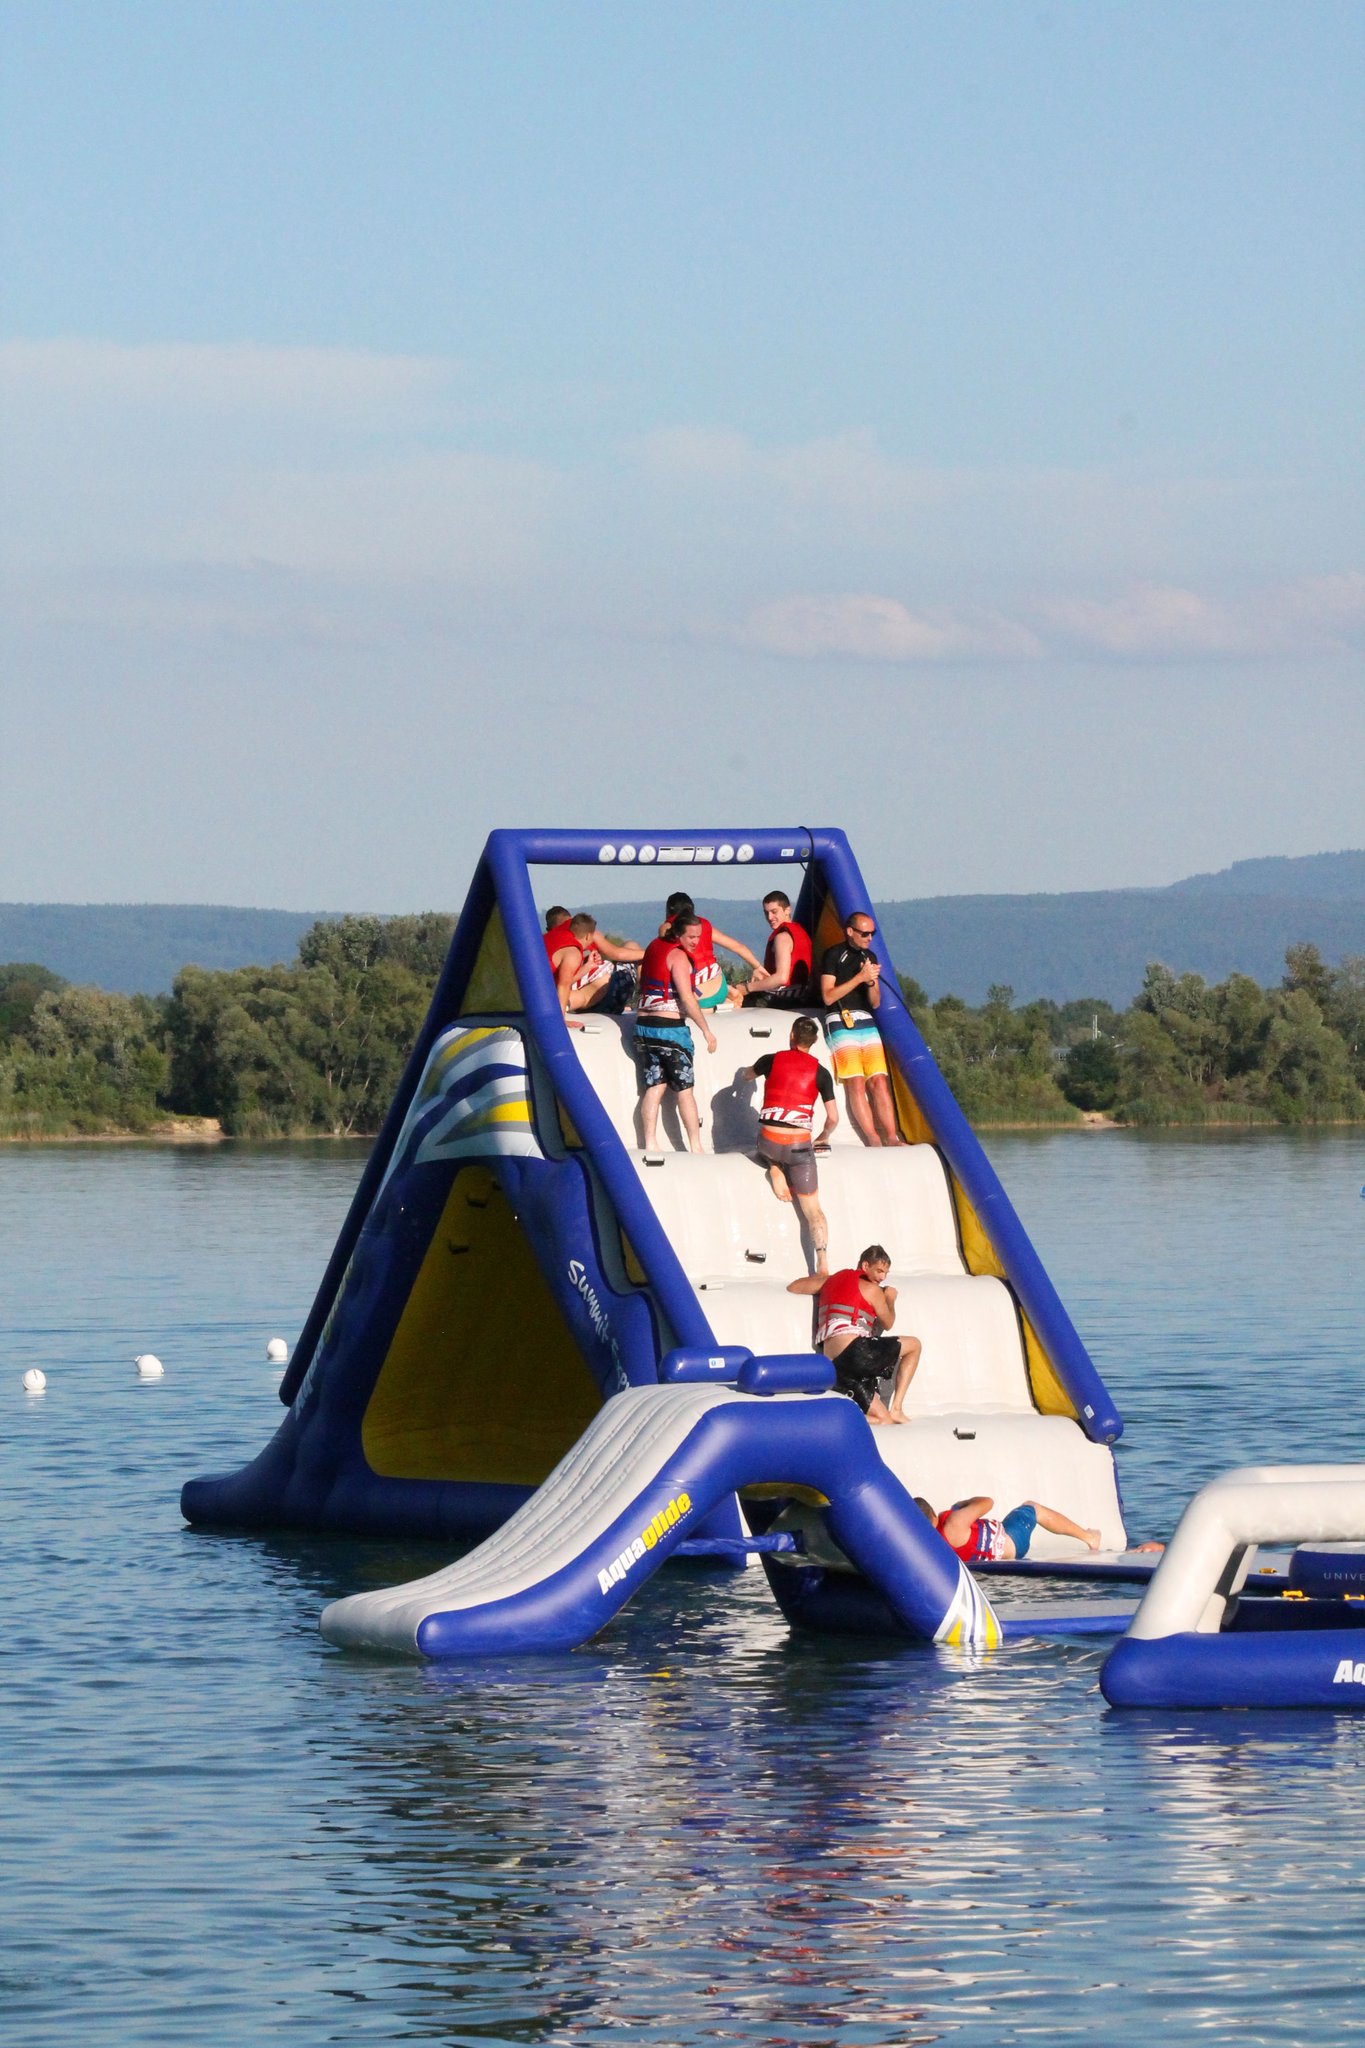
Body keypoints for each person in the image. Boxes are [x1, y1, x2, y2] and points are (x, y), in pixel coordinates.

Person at [739, 1016, 838, 1264]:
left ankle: (773, 1166)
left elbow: (747, 1076)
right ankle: (823, 1264)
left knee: (765, 1144)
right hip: (798, 1148)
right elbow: (833, 1118)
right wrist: (823, 1136)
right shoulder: (821, 1073)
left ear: (791, 1036)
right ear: (814, 1042)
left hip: (769, 1143)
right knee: (813, 1210)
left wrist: (746, 1075)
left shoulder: (771, 1060)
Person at [787, 1244, 921, 1425]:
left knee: (883, 1419)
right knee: (914, 1345)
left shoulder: (830, 1281)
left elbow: (794, 1287)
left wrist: (826, 1280)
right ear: (865, 1266)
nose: (882, 1278)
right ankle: (897, 1409)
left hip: (836, 1364)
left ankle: (832, 1419)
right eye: (879, 1271)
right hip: (857, 1352)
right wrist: (890, 1298)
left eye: (886, 1274)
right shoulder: (872, 1289)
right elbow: (888, 1323)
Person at [635, 914, 718, 1152]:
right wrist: (706, 1030)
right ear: (678, 934)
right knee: (685, 1090)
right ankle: (696, 1146)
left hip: (643, 1029)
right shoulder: (679, 956)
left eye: (698, 937)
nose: (695, 942)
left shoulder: (654, 946)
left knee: (655, 1086)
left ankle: (650, 1143)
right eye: (691, 937)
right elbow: (687, 998)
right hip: (671, 1032)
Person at [819, 911, 901, 1147]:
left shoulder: (870, 956)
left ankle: (892, 1136)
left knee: (878, 1081)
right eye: (864, 933)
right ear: (850, 931)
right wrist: (858, 978)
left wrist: (871, 981)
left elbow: (875, 1002)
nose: (868, 938)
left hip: (866, 1021)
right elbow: (828, 996)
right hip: (840, 1021)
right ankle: (873, 1138)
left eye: (872, 933)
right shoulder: (834, 955)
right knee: (855, 1082)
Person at [916, 1494, 1101, 1562]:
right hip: (1013, 1542)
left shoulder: (926, 1544)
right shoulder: (954, 1521)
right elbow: (987, 1502)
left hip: (997, 1553)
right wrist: (963, 1504)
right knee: (1032, 1507)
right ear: (933, 1514)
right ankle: (1088, 1538)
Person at [657, 893, 761, 1011]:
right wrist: (757, 966)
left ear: (668, 910)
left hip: (700, 996)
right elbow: (737, 946)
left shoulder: (667, 928)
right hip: (719, 985)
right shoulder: (702, 925)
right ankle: (726, 993)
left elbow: (662, 957)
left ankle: (719, 1002)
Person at [741, 891, 814, 1007]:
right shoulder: (802, 933)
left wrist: (747, 988)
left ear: (787, 910)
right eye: (766, 913)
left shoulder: (782, 937)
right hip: (803, 993)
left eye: (774, 912)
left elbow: (782, 978)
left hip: (785, 997)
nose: (770, 917)